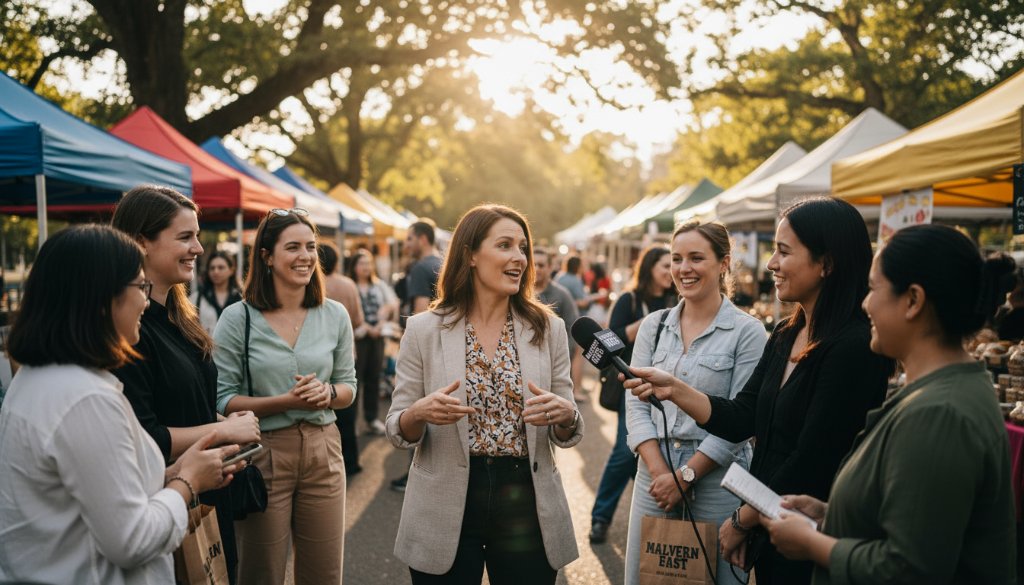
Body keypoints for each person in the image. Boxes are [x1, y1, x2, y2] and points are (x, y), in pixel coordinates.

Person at [625, 198, 893, 585]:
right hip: (772, 527)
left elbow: (812, 459)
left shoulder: (853, 346)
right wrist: (675, 389)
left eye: (784, 251)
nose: (771, 264)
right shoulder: (785, 333)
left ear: (826, 263)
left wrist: (742, 519)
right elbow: (742, 416)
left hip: (813, 534)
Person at [762, 224, 1017, 585]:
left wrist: (813, 544)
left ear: (913, 301)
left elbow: (909, 569)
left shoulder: (938, 414)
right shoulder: (940, 392)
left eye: (873, 289)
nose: (865, 304)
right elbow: (921, 518)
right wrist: (831, 516)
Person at [0, 225, 238, 584]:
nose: (146, 301)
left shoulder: (38, 378)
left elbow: (94, 492)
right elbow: (132, 540)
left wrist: (174, 473)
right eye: (140, 286)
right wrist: (188, 481)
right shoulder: (85, 400)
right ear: (100, 297)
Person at [386, 204, 583, 584]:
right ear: (470, 255)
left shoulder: (549, 328)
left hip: (525, 499)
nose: (519, 258)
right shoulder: (423, 330)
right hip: (445, 500)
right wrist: (419, 413)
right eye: (505, 245)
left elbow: (567, 427)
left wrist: (566, 415)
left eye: (523, 247)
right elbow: (398, 428)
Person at [112, 185, 261, 583]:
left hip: (207, 498)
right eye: (185, 237)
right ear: (141, 242)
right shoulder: (131, 332)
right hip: (166, 506)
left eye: (196, 235)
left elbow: (188, 402)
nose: (198, 248)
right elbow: (145, 436)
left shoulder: (179, 316)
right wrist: (222, 430)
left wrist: (226, 428)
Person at [213, 208, 358, 585]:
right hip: (262, 453)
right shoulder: (237, 318)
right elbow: (223, 399)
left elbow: (348, 387)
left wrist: (327, 392)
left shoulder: (335, 314)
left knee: (324, 573)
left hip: (324, 451)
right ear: (267, 256)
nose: (305, 256)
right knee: (260, 572)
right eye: (292, 247)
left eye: (310, 247)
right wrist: (285, 402)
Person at [621, 226, 767, 585]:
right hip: (654, 475)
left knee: (717, 577)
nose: (683, 268)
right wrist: (661, 473)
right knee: (647, 578)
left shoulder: (748, 332)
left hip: (718, 479)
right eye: (676, 258)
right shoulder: (654, 326)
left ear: (724, 263)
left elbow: (741, 418)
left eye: (696, 258)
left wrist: (686, 477)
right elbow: (636, 407)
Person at [589, 245, 678, 545]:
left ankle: (655, 512)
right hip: (633, 388)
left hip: (668, 389)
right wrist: (646, 323)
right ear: (650, 267)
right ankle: (601, 518)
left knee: (648, 454)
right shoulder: (630, 299)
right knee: (625, 452)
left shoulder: (677, 299)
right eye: (666, 265)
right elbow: (608, 340)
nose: (671, 271)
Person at [391, 219, 444, 492]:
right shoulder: (443, 263)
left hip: (426, 348)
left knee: (416, 410)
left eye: (409, 239)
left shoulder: (422, 268)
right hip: (446, 346)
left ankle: (416, 476)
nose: (406, 245)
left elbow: (421, 312)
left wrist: (408, 348)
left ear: (423, 239)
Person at [318, 240, 366, 478]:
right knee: (347, 410)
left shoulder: (312, 284)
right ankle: (351, 461)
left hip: (319, 356)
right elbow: (358, 319)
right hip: (347, 352)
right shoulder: (348, 284)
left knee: (322, 410)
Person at [348, 248, 399, 436]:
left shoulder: (379, 285)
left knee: (373, 378)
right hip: (357, 339)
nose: (366, 267)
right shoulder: (350, 285)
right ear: (354, 266)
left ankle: (371, 419)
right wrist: (369, 328)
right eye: (362, 263)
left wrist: (384, 315)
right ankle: (351, 422)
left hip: (377, 338)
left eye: (369, 263)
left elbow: (393, 303)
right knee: (354, 379)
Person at [533, 246, 578, 358]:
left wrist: (562, 357)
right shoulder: (519, 294)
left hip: (554, 359)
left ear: (550, 267)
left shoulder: (562, 295)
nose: (536, 269)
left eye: (541, 265)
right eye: (533, 265)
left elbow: (572, 329)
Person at [190, 250, 244, 334]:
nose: (216, 271)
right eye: (212, 268)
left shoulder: (241, 298)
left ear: (231, 270)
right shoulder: (197, 298)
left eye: (221, 267)